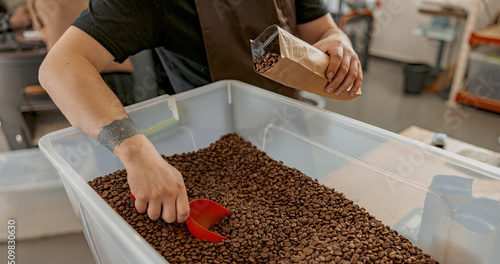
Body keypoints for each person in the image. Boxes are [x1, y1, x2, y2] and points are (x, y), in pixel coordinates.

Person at [39, 0, 363, 224]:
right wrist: (137, 153)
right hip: (211, 166)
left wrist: (337, 42)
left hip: (290, 145)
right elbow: (61, 67)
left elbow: (322, 30)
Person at [27, 0, 135, 105]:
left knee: (95, 122)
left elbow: (42, 32)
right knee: (134, 117)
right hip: (113, 63)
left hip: (72, 75)